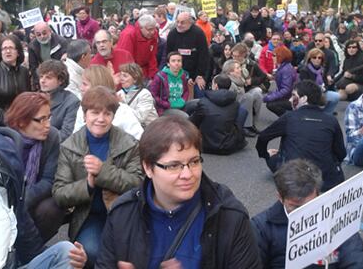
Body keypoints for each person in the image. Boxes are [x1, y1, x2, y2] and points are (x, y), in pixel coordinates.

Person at [96, 115, 262, 268]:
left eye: (194, 162)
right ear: (148, 167)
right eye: (173, 166)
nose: (187, 174)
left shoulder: (229, 216)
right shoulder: (122, 214)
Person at [53, 86, 143, 267]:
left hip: (124, 215)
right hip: (89, 216)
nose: (101, 119)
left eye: (107, 114)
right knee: (92, 253)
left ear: (113, 116)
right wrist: (87, 184)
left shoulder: (129, 144)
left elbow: (138, 183)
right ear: (85, 115)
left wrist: (103, 172)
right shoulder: (69, 147)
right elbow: (60, 193)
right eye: (95, 113)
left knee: (130, 256)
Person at [251, 159, 363, 268]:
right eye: (295, 207)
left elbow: (356, 257)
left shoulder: (336, 215)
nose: (304, 214)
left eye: (310, 205)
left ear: (317, 193)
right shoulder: (262, 227)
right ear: (280, 197)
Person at [257, 80, 346, 191]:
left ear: (304, 99)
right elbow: (341, 153)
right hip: (328, 180)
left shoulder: (289, 117)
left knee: (273, 156)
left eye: (293, 96)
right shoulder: (331, 119)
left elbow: (263, 137)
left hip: (295, 180)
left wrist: (264, 154)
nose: (290, 100)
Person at [3, 92, 65, 242]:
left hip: (32, 195)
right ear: (21, 121)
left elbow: (49, 180)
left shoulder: (52, 137)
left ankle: (34, 248)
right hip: (7, 197)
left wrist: (24, 200)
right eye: (41, 120)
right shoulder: (5, 140)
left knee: (52, 208)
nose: (48, 125)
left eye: (48, 117)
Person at [73, 65, 144, 140]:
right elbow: (75, 139)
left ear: (96, 86)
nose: (81, 88)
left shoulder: (122, 111)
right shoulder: (82, 109)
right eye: (95, 113)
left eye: (85, 84)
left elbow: (139, 140)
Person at [189, 74, 247, 155]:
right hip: (228, 146)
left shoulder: (204, 102)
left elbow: (193, 122)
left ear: (215, 86)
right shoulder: (235, 103)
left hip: (206, 146)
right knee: (242, 111)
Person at [38, 59, 80, 141]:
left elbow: (66, 133)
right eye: (41, 77)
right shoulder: (34, 98)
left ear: (60, 80)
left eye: (48, 78)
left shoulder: (71, 101)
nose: (42, 81)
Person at [166, 12, 211, 86]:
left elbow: (204, 56)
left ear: (190, 23)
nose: (179, 25)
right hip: (176, 72)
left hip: (195, 72)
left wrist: (200, 76)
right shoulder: (172, 34)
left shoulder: (198, 33)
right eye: (177, 22)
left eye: (182, 23)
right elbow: (168, 54)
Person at [149, 52, 193, 116]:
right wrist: (166, 104)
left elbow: (186, 91)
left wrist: (183, 100)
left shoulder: (183, 75)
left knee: (198, 104)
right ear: (168, 64)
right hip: (166, 108)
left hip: (181, 104)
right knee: (185, 117)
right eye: (173, 61)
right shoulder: (160, 76)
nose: (176, 63)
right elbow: (153, 95)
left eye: (179, 61)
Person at [298, 48, 340, 114]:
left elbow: (326, 84)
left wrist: (325, 87)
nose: (317, 60)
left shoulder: (323, 69)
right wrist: (318, 90)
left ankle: (327, 114)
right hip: (309, 95)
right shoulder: (304, 70)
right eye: (314, 57)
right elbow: (305, 87)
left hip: (322, 92)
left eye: (319, 58)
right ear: (310, 59)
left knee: (336, 96)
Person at [116, 15, 159, 80]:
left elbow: (152, 57)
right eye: (149, 29)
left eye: (154, 29)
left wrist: (153, 76)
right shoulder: (128, 35)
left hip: (144, 72)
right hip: (130, 73)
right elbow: (124, 61)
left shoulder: (153, 34)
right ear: (141, 27)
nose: (152, 32)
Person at [116, 63, 158, 128]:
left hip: (148, 129)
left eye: (125, 76)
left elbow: (140, 118)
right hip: (129, 128)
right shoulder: (119, 93)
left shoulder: (145, 94)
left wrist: (122, 104)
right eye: (120, 75)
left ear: (135, 79)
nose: (121, 79)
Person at [264, 46, 297, 117]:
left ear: (280, 56)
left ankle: (289, 117)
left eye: (274, 55)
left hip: (292, 98)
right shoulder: (284, 67)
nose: (272, 57)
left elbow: (286, 89)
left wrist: (270, 97)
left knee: (271, 105)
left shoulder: (286, 69)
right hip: (290, 96)